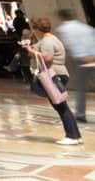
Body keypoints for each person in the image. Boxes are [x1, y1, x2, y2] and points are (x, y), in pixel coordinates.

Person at [28, 16, 83, 145]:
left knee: (61, 107)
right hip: (57, 75)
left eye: (33, 28)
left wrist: (30, 51)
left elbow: (47, 58)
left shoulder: (47, 41)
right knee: (61, 106)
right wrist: (33, 43)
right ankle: (75, 135)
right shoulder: (50, 39)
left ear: (36, 28)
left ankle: (72, 136)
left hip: (53, 76)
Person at [56, 8, 95, 123]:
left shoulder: (63, 29)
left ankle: (80, 114)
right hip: (93, 56)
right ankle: (80, 113)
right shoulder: (85, 27)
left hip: (82, 59)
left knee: (81, 88)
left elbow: (71, 44)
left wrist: (83, 56)